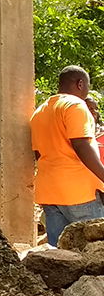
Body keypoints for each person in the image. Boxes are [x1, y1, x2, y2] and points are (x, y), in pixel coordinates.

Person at [32, 66, 104, 247]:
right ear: (80, 84)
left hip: (49, 193)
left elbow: (38, 153)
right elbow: (80, 145)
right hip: (79, 194)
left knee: (60, 256)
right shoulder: (75, 105)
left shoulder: (40, 111)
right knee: (95, 252)